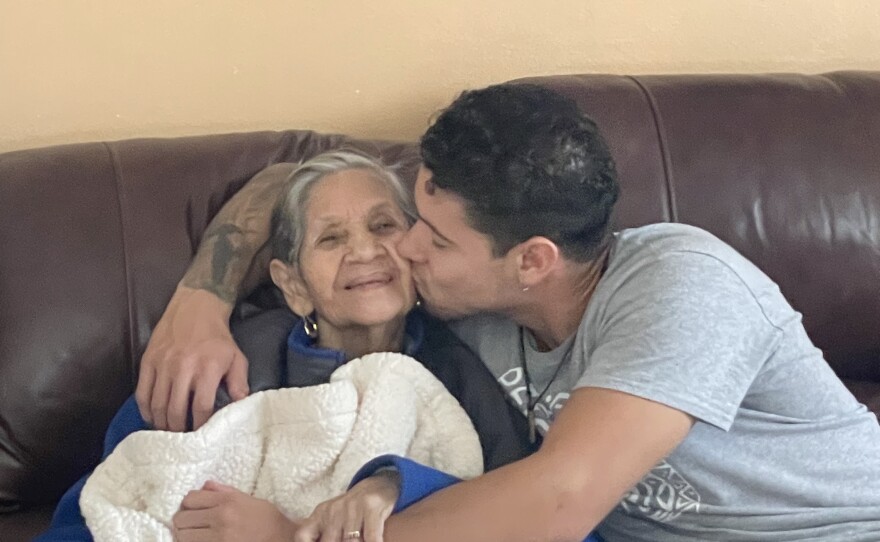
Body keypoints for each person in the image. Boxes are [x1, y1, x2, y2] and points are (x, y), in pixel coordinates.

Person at [139, 84, 880, 541]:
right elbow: (289, 179)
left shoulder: (685, 286)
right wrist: (199, 301)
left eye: (432, 238)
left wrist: (297, 539)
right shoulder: (472, 273)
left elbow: (557, 504)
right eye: (412, 217)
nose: (406, 252)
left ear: (531, 261)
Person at [35, 151, 539, 542]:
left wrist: (395, 485)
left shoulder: (460, 371)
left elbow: (529, 510)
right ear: (293, 285)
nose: (364, 250)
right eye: (331, 239)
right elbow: (115, 493)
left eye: (383, 225)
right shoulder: (233, 366)